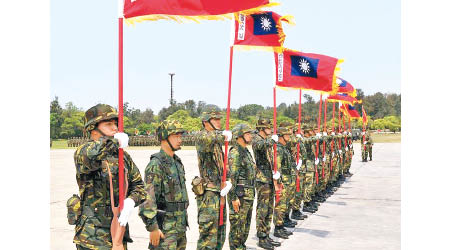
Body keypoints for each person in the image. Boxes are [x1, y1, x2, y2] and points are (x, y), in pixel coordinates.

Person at [71, 104, 146, 250]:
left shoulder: (122, 156)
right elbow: (93, 155)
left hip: (118, 231)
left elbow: (139, 187)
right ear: (92, 128)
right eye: (108, 124)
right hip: (92, 237)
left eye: (116, 124)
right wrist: (115, 141)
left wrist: (131, 201)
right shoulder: (83, 151)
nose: (115, 128)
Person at [139, 120, 189, 250]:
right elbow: (148, 200)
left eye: (180, 135)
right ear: (164, 138)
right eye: (175, 136)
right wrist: (153, 227)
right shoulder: (156, 165)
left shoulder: (177, 162)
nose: (180, 139)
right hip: (165, 228)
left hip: (180, 226)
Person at [194, 110, 232, 250]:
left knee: (220, 233)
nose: (218, 122)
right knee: (208, 236)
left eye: (218, 119)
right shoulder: (202, 136)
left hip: (219, 191)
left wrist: (226, 180)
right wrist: (223, 134)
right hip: (209, 193)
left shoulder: (216, 141)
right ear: (206, 122)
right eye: (215, 120)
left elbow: (221, 164)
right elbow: (208, 138)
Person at [252, 118, 281, 249]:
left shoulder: (266, 141)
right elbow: (259, 146)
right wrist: (272, 140)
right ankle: (261, 236)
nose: (270, 130)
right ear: (262, 128)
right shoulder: (257, 139)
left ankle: (267, 234)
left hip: (269, 177)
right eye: (268, 128)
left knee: (269, 208)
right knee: (262, 209)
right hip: (261, 179)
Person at [227, 124, 257, 250]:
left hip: (248, 194)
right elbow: (232, 177)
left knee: (245, 225)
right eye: (247, 133)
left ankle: (241, 246)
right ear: (239, 136)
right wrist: (233, 197)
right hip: (240, 195)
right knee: (238, 226)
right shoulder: (235, 152)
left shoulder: (245, 151)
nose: (250, 135)